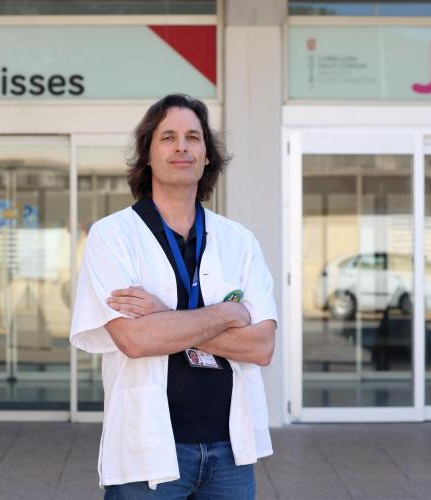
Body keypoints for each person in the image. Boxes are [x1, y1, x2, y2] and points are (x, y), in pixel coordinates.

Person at [70, 94, 277, 499]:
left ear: (206, 156)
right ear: (147, 155)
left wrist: (166, 314)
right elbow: (136, 340)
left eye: (193, 137)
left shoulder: (239, 241)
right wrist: (228, 313)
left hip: (231, 453)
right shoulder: (112, 236)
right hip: (148, 451)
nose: (181, 146)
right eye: (168, 137)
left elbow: (262, 346)